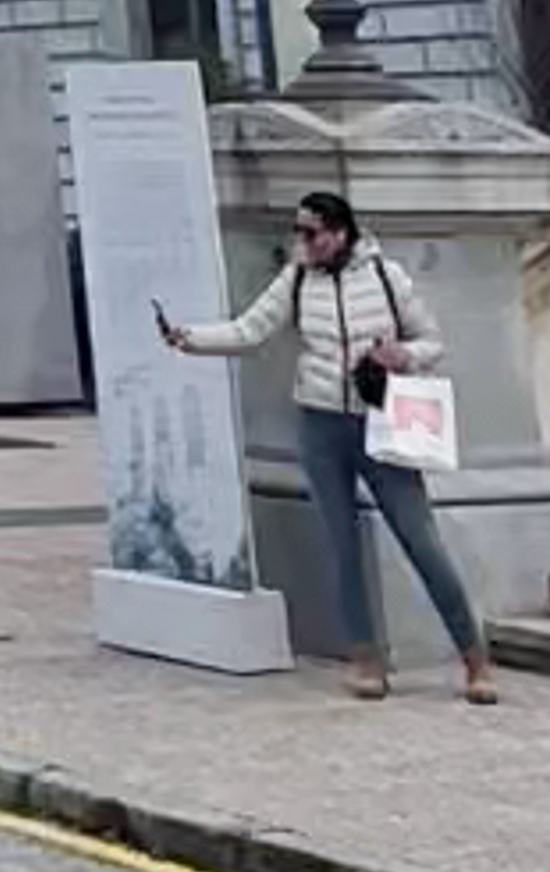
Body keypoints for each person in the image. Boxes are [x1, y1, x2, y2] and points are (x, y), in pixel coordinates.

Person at [159, 179, 500, 705]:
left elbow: (432, 340)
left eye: (311, 233)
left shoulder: (386, 277)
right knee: (341, 546)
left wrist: (402, 356)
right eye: (298, 232)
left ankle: (474, 658)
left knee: (421, 540)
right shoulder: (297, 278)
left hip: (381, 421)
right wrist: (190, 339)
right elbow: (251, 330)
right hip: (321, 422)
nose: (302, 242)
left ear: (340, 234)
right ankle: (365, 658)